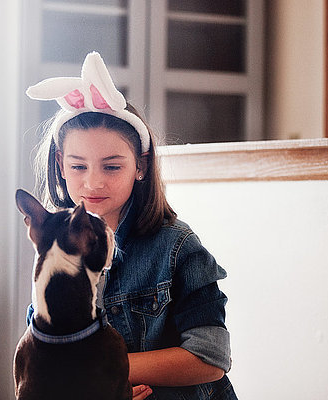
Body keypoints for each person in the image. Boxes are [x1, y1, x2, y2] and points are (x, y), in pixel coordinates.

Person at [24, 52, 237, 399]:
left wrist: (103, 370)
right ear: (61, 165)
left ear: (140, 165)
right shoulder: (52, 248)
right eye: (79, 167)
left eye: (111, 167)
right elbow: (47, 356)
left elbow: (210, 358)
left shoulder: (177, 247)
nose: (93, 183)